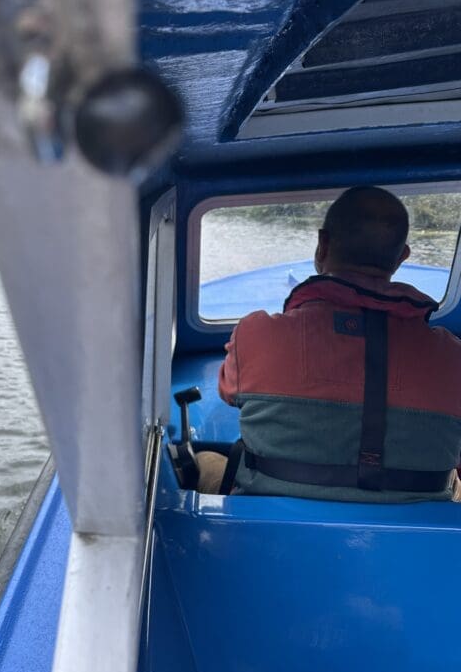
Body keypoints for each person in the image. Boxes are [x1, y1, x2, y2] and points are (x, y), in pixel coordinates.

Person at [197, 186, 461, 501]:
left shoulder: (256, 333)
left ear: (322, 245)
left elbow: (228, 393)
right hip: (411, 540)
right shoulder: (453, 357)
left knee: (205, 462)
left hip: (272, 528)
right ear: (403, 256)